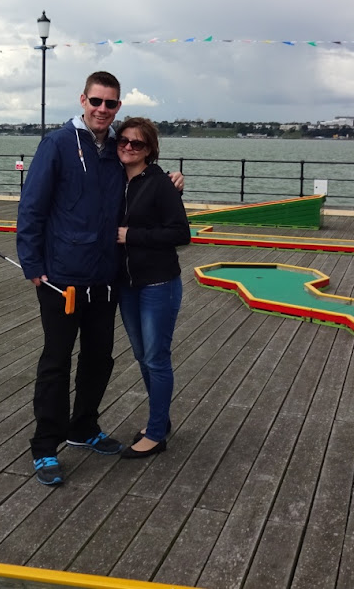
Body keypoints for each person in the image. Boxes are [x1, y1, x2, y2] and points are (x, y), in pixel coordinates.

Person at [16, 72, 183, 485]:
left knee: (98, 360)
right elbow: (32, 208)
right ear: (83, 99)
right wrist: (33, 267)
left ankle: (83, 427)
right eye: (96, 101)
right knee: (55, 363)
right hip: (60, 279)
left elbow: (140, 173)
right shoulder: (56, 144)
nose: (102, 110)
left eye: (110, 104)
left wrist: (170, 181)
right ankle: (45, 446)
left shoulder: (113, 147)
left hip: (105, 279)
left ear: (118, 107)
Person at [115, 118, 191, 458]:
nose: (129, 147)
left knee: (156, 358)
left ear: (150, 150)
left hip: (159, 283)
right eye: (124, 141)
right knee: (142, 356)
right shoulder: (112, 180)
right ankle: (160, 419)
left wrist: (131, 235)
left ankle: (157, 434)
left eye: (138, 143)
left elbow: (180, 234)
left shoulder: (161, 184)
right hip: (126, 284)